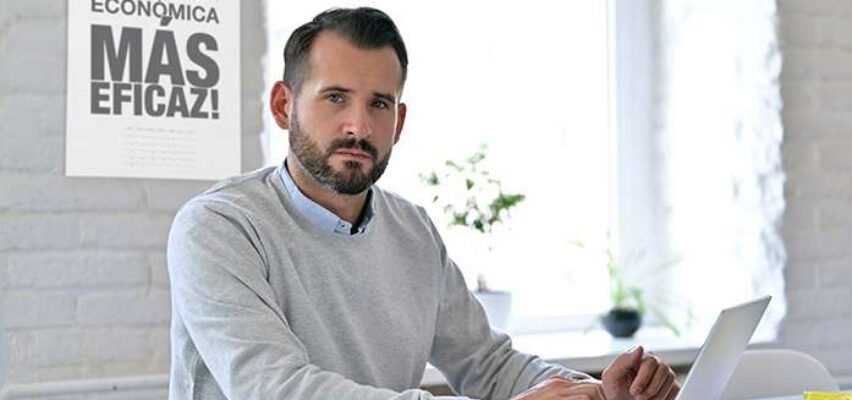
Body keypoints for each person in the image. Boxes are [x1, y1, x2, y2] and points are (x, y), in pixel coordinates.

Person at [167, 7, 680, 400]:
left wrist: (600, 392)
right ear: (284, 106)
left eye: (379, 103)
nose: (358, 126)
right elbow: (274, 389)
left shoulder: (412, 230)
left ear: (400, 121)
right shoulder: (217, 227)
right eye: (335, 97)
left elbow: (490, 366)